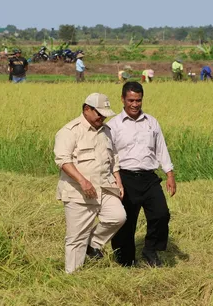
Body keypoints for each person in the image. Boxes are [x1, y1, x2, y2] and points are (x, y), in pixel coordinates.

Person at [53, 93, 126, 274]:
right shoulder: (70, 131)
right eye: (98, 113)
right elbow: (63, 160)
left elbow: (113, 159)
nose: (102, 117)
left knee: (118, 216)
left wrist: (119, 181)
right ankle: (73, 276)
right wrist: (83, 181)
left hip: (105, 187)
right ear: (87, 109)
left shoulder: (106, 131)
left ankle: (93, 244)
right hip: (78, 191)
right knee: (76, 237)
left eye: (104, 114)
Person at [108, 82, 176, 268]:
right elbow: (108, 155)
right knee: (126, 221)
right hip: (124, 178)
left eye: (138, 100)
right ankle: (125, 259)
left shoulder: (151, 122)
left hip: (149, 177)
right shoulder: (113, 125)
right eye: (131, 100)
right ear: (122, 99)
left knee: (161, 214)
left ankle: (150, 250)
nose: (135, 104)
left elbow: (161, 148)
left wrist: (169, 174)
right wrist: (113, 181)